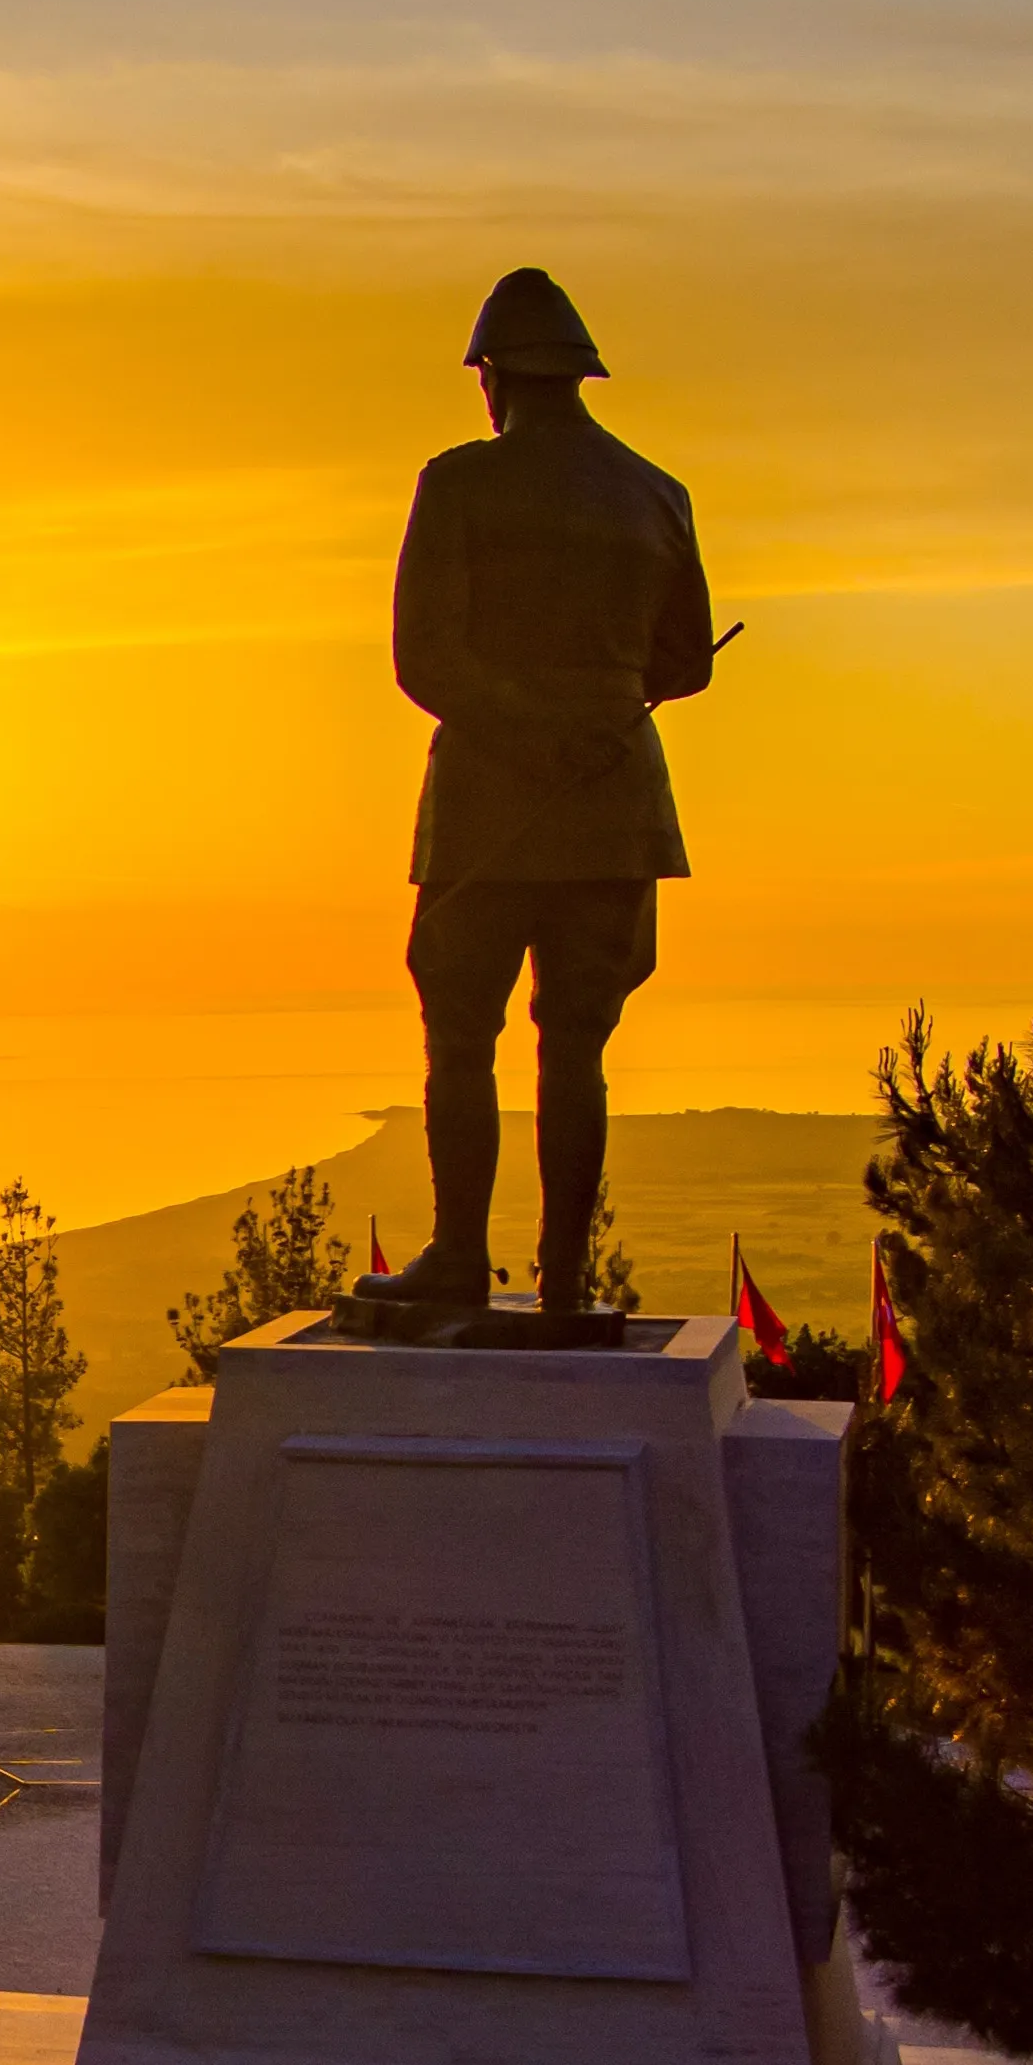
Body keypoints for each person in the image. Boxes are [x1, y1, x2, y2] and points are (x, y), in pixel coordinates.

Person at [355, 267, 721, 1323]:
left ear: (494, 378)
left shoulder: (460, 484)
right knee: (576, 1042)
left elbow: (422, 655)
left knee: (460, 1033)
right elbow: (686, 661)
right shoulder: (657, 492)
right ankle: (562, 1280)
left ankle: (460, 1259)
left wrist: (522, 723)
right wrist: (589, 711)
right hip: (612, 799)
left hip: (486, 802)